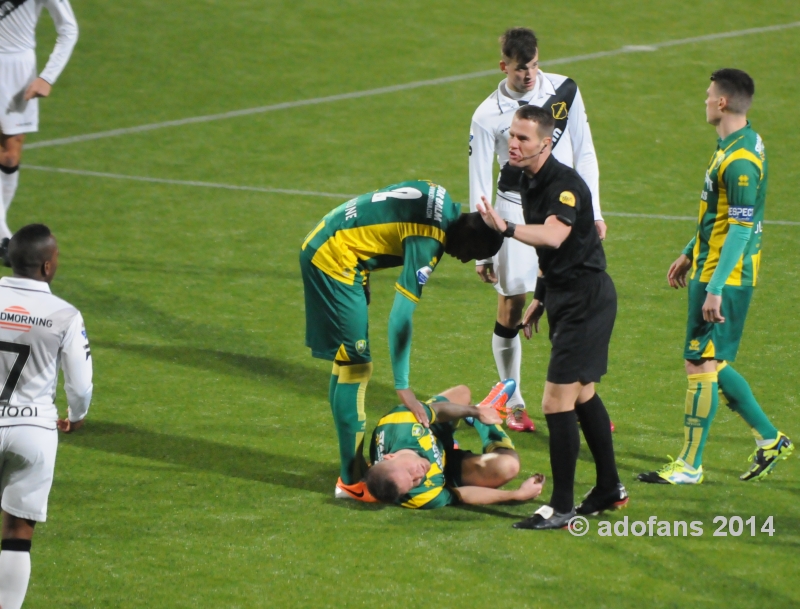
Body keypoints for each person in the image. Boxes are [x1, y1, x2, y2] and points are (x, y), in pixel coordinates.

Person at [300, 181, 504, 502]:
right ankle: (351, 480)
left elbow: (382, 208)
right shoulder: (431, 240)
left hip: (335, 241)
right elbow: (400, 317)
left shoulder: (441, 196)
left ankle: (351, 468)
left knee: (347, 363)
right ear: (468, 236)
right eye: (472, 254)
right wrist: (403, 386)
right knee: (356, 367)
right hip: (335, 259)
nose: (464, 261)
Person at [638, 69, 793, 485]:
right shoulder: (737, 142)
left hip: (725, 273)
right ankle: (769, 439)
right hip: (711, 264)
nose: (705, 100)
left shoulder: (740, 161)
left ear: (722, 102)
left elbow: (741, 230)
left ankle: (690, 466)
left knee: (699, 362)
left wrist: (716, 287)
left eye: (709, 95)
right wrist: (690, 251)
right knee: (711, 361)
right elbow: (721, 216)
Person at [477, 105, 625, 530]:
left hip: (585, 299)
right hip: (563, 295)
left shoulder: (565, 185)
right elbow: (549, 250)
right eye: (511, 135)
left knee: (553, 404)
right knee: (581, 397)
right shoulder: (525, 178)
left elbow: (555, 233)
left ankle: (561, 507)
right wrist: (540, 298)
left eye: (523, 138)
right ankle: (610, 489)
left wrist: (504, 229)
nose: (513, 143)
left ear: (546, 143)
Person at [469, 27, 607, 432]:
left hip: (565, 212)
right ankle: (512, 401)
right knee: (512, 306)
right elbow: (479, 183)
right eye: (519, 69)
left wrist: (594, 210)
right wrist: (483, 247)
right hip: (514, 213)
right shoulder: (486, 115)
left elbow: (584, 149)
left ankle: (582, 401)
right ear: (503, 66)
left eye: (532, 66)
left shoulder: (564, 90)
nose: (528, 75)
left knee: (572, 299)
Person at [0, 223, 92, 609]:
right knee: (17, 533)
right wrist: (76, 415)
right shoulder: (65, 315)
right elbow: (80, 384)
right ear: (48, 266)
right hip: (34, 430)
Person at [366, 381, 545, 508]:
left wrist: (475, 412)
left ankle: (481, 411)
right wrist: (515, 495)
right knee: (508, 466)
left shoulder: (400, 422)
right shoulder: (419, 496)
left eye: (409, 472)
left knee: (462, 393)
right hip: (447, 467)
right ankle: (489, 424)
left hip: (431, 427)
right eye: (413, 482)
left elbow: (439, 411)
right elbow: (462, 495)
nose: (418, 476)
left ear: (390, 456)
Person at [0, 0, 79, 261]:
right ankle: (2, 236)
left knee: (9, 156)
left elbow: (68, 28)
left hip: (18, 69)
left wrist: (47, 77)